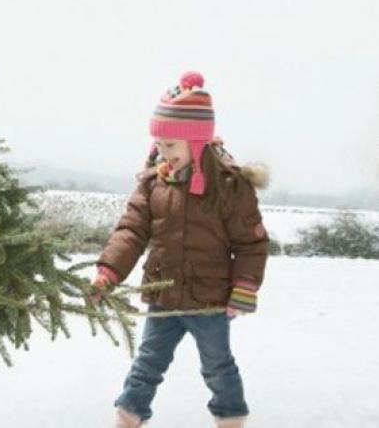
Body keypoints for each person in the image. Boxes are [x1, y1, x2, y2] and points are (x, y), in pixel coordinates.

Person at [91, 71, 269, 428]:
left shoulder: (230, 187)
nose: (162, 153)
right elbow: (131, 231)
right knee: (147, 362)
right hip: (164, 295)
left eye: (171, 145)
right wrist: (107, 273)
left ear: (197, 143)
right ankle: (127, 418)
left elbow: (251, 244)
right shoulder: (153, 184)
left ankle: (231, 419)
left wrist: (244, 288)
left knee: (218, 366)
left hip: (210, 300)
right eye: (159, 144)